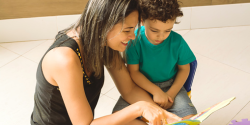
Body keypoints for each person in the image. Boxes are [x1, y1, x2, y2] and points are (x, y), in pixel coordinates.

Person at [30, 0, 182, 125]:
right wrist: (140, 108)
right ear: (104, 24)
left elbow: (128, 89)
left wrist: (166, 117)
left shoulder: (104, 42)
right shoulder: (64, 59)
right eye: (127, 30)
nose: (133, 36)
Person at [113, 0, 198, 121]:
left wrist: (170, 95)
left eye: (167, 30)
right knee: (118, 117)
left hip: (170, 85)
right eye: (154, 30)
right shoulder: (134, 40)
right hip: (140, 87)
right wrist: (156, 91)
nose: (161, 36)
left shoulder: (177, 41)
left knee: (191, 119)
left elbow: (185, 69)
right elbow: (134, 72)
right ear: (142, 21)